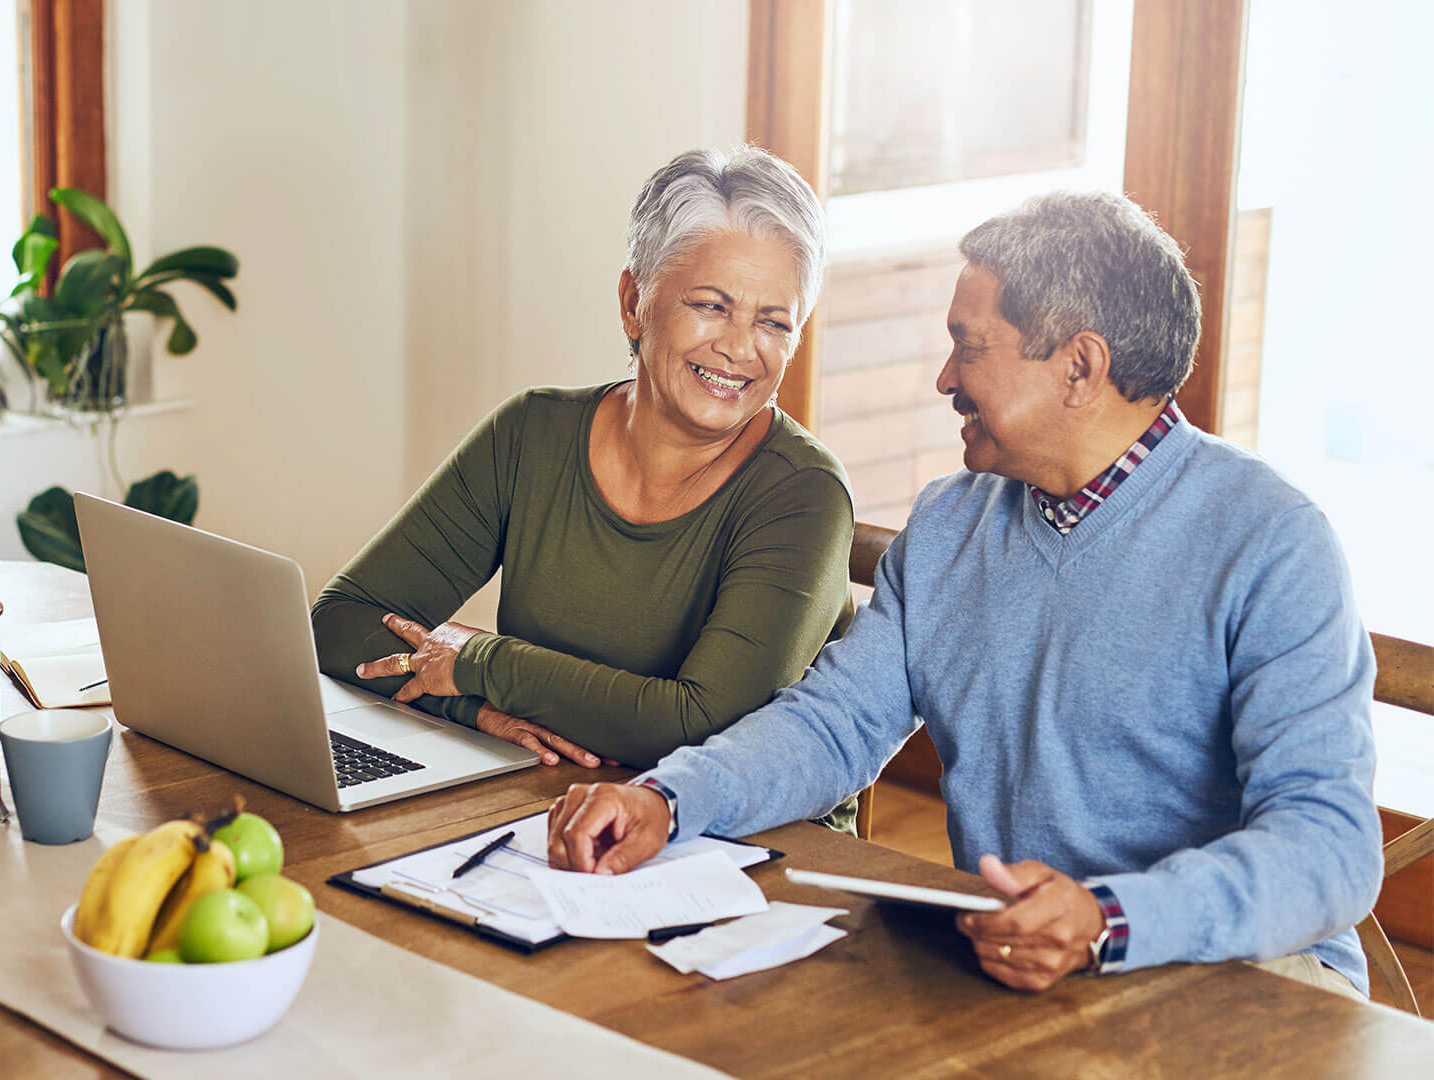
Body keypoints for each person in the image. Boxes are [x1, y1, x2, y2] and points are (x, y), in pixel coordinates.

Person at [545, 191, 1383, 999]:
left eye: (968, 345)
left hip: (1242, 980)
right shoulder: (951, 523)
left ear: (1080, 367)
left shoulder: (1271, 541)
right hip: (1022, 967)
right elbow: (832, 724)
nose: (944, 377)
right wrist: (668, 797)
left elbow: (1330, 850)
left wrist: (1106, 921)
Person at [311, 147, 859, 830]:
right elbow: (340, 622)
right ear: (634, 302)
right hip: (550, 806)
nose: (741, 347)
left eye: (774, 321)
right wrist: (469, 704)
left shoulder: (804, 494)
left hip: (746, 845)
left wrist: (483, 663)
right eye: (711, 306)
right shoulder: (531, 434)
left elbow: (707, 725)